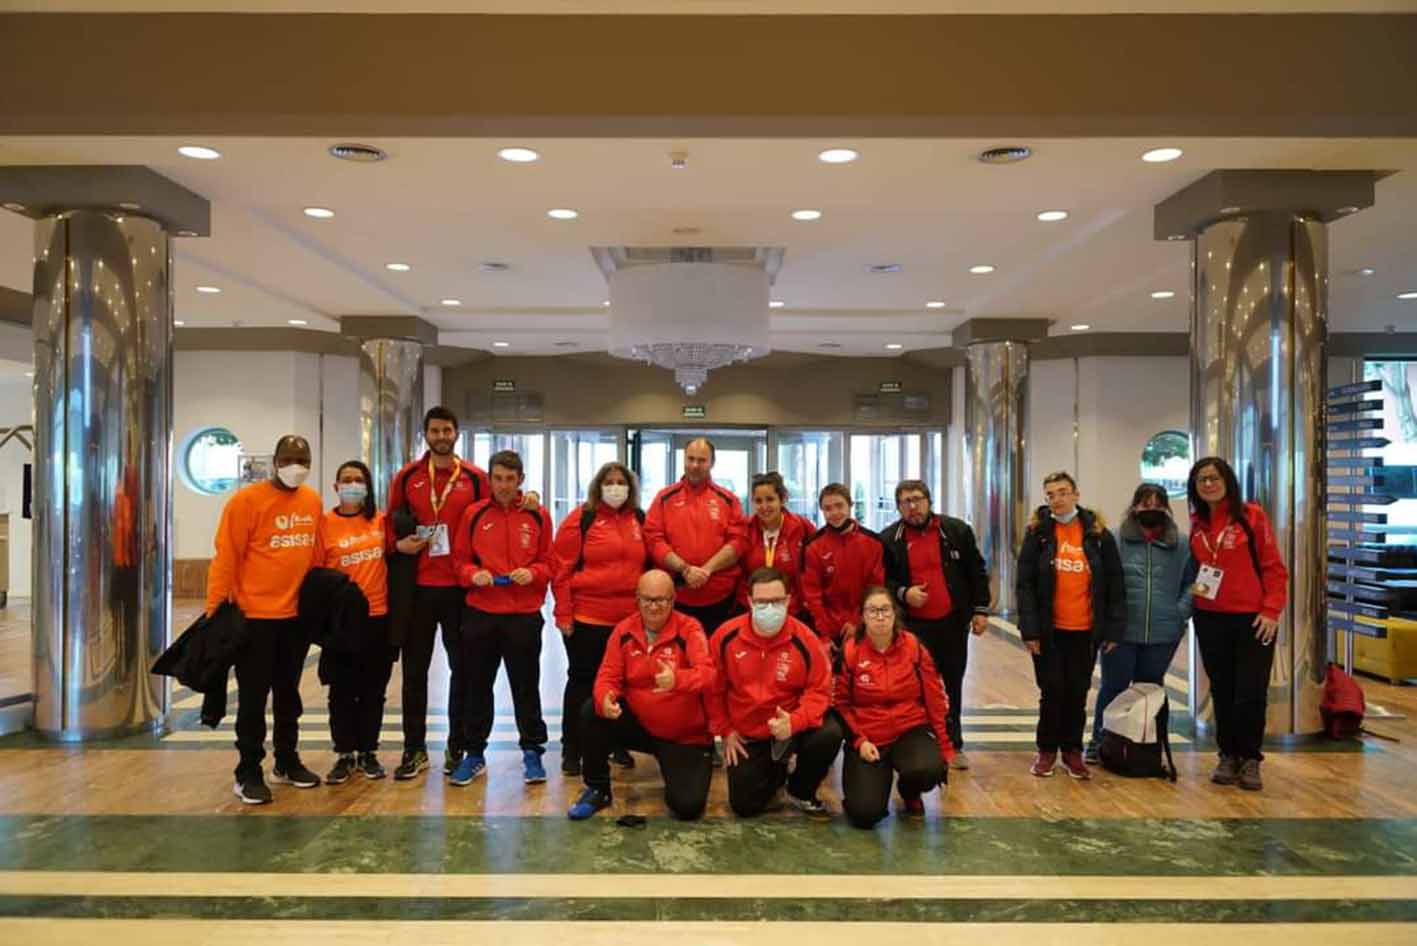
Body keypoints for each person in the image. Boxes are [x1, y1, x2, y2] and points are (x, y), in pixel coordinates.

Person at [206, 434, 324, 805]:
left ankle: (286, 761)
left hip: (294, 619)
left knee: (289, 695)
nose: (296, 467)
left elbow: (317, 555)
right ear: (275, 462)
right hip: (254, 618)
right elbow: (226, 558)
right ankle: (248, 771)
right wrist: (214, 612)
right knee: (254, 698)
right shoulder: (245, 502)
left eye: (302, 460)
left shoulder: (312, 500)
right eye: (289, 459)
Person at [385, 406, 489, 782]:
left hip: (461, 591)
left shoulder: (476, 479)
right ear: (425, 435)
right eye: (435, 430)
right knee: (414, 672)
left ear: (457, 433)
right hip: (418, 590)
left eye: (447, 429)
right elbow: (388, 525)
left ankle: (457, 745)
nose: (441, 436)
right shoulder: (407, 477)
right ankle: (414, 749)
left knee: (463, 670)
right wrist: (399, 545)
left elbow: (492, 521)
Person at [567, 570, 716, 821]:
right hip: (641, 726)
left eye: (661, 600)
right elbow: (607, 675)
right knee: (591, 710)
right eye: (647, 599)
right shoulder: (623, 631)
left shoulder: (690, 629)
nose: (654, 607)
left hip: (683, 736)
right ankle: (597, 789)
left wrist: (677, 679)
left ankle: (695, 762)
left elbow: (708, 674)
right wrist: (606, 698)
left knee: (687, 807)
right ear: (637, 599)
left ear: (673, 599)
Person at [451, 449, 556, 786]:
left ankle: (533, 752)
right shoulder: (474, 514)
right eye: (498, 478)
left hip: (524, 616)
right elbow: (459, 561)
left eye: (510, 479)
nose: (504, 485)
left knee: (526, 686)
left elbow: (549, 562)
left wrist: (534, 572)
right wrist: (473, 575)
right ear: (490, 480)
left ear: (521, 480)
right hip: (481, 613)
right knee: (477, 685)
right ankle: (474, 753)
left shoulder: (537, 514)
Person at [1186, 457, 1288, 792]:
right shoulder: (1197, 523)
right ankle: (1227, 754)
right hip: (1210, 617)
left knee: (1251, 691)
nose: (1208, 484)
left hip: (1253, 619)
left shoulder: (1251, 517)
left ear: (1227, 480)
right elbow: (1201, 571)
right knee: (1222, 689)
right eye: (1201, 480)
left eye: (1214, 478)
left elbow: (1274, 567)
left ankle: (1250, 759)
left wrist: (1271, 610)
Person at [1015, 471, 1125, 781]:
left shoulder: (1098, 534)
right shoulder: (1038, 533)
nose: (1057, 499)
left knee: (1077, 692)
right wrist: (1030, 630)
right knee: (1051, 691)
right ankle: (1047, 750)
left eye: (1063, 492)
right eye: (1050, 494)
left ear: (1076, 494)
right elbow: (1024, 585)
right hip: (1050, 631)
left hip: (1085, 630)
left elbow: (1115, 583)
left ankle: (1072, 752)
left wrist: (1114, 628)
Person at [708, 567, 842, 817]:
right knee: (744, 807)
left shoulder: (806, 639)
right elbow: (713, 689)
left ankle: (801, 789)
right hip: (749, 732)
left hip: (793, 724)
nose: (769, 608)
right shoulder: (725, 637)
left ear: (788, 601)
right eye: (761, 602)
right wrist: (725, 730)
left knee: (830, 732)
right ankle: (777, 771)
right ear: (749, 601)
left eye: (776, 601)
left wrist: (795, 721)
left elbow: (820, 692)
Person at [880, 479, 991, 771]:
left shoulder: (955, 531)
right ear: (898, 507)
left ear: (929, 501)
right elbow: (883, 582)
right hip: (913, 629)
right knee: (915, 687)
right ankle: (918, 745)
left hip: (952, 624)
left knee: (952, 684)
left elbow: (977, 571)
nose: (912, 507)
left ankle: (954, 744)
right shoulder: (889, 539)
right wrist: (904, 593)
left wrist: (980, 610)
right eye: (905, 502)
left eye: (917, 499)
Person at [551, 461, 648, 776]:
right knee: (582, 682)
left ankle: (616, 743)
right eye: (610, 481)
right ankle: (572, 748)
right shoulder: (581, 519)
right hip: (587, 618)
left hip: (630, 620)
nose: (616, 487)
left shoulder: (639, 520)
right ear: (598, 486)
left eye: (621, 482)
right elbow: (561, 571)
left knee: (623, 685)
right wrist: (563, 613)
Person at [1086, 483, 1193, 765]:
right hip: (1121, 632)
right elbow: (1102, 582)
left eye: (1158, 505)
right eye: (1146, 504)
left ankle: (1147, 744)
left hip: (1164, 632)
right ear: (1134, 508)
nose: (1152, 510)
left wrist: (1180, 612)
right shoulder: (1115, 539)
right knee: (1114, 687)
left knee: (1151, 689)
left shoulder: (1181, 543)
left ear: (1167, 509)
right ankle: (1101, 741)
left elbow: (1194, 583)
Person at [836, 587, 954, 828]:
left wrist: (944, 746)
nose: (880, 617)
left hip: (909, 730)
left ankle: (909, 791)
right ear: (863, 616)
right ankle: (873, 783)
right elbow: (840, 704)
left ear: (895, 613)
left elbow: (934, 698)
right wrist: (859, 741)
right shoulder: (850, 651)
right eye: (873, 611)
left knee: (927, 768)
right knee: (864, 814)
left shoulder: (913, 647)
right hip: (870, 737)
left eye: (885, 610)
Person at [314, 460, 396, 783]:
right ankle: (344, 753)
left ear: (367, 486)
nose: (352, 485)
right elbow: (316, 573)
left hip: (378, 618)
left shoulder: (381, 521)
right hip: (342, 624)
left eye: (358, 480)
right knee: (342, 690)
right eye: (345, 480)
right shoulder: (324, 524)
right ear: (336, 487)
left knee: (373, 690)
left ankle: (369, 752)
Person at [644, 437, 745, 638]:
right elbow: (653, 539)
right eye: (690, 459)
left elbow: (739, 541)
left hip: (720, 599)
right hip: (676, 597)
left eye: (702, 460)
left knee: (716, 658)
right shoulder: (664, 498)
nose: (695, 465)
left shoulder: (728, 499)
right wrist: (685, 569)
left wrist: (707, 570)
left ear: (712, 463)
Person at [801, 483, 886, 653]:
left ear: (850, 505)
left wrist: (858, 622)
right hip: (827, 631)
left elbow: (876, 590)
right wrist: (823, 635)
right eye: (827, 508)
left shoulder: (874, 543)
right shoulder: (813, 546)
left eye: (839, 506)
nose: (834, 513)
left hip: (866, 626)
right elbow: (812, 596)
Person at [734, 472, 813, 625]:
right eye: (758, 501)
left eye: (770, 499)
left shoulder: (802, 527)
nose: (764, 507)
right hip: (754, 610)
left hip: (792, 611)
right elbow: (740, 573)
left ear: (783, 499)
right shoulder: (746, 529)